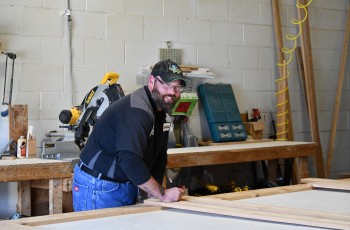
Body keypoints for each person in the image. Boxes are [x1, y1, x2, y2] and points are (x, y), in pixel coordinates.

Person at [72, 59, 186, 211]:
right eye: (167, 85)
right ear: (152, 81)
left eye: (177, 88)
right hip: (99, 187)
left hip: (123, 184)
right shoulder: (138, 110)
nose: (172, 92)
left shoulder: (160, 112)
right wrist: (163, 194)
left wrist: (155, 193)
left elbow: (160, 158)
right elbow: (130, 160)